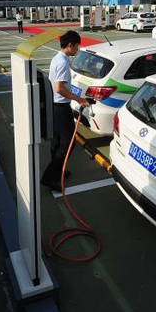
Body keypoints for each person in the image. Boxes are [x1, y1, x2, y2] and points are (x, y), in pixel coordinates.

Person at [41, 30, 91, 192]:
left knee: (57, 141)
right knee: (68, 143)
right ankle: (49, 178)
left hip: (57, 106)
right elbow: (60, 88)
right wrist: (79, 100)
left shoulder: (57, 58)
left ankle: (58, 172)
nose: (77, 50)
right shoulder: (62, 62)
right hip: (60, 107)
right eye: (77, 47)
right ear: (70, 45)